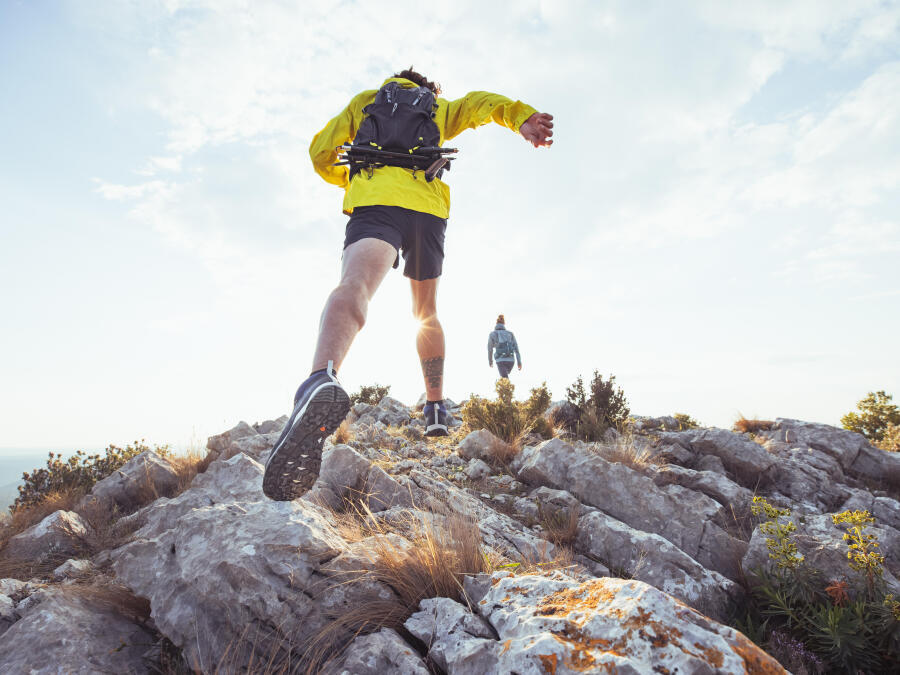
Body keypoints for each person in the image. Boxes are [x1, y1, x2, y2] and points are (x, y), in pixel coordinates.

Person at [262, 68, 553, 501]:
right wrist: (523, 118)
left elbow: (319, 150)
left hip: (376, 202)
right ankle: (435, 405)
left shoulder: (367, 101)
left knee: (357, 285)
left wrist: (353, 178)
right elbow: (482, 104)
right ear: (428, 90)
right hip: (427, 209)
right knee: (426, 311)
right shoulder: (439, 108)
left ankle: (318, 380)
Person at [487, 314, 522, 379]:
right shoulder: (510, 333)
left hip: (500, 360)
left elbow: (490, 349)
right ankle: (503, 386)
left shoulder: (492, 334)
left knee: (504, 380)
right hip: (511, 361)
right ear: (504, 324)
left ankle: (505, 387)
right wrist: (519, 362)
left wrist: (490, 361)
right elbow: (516, 349)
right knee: (504, 378)